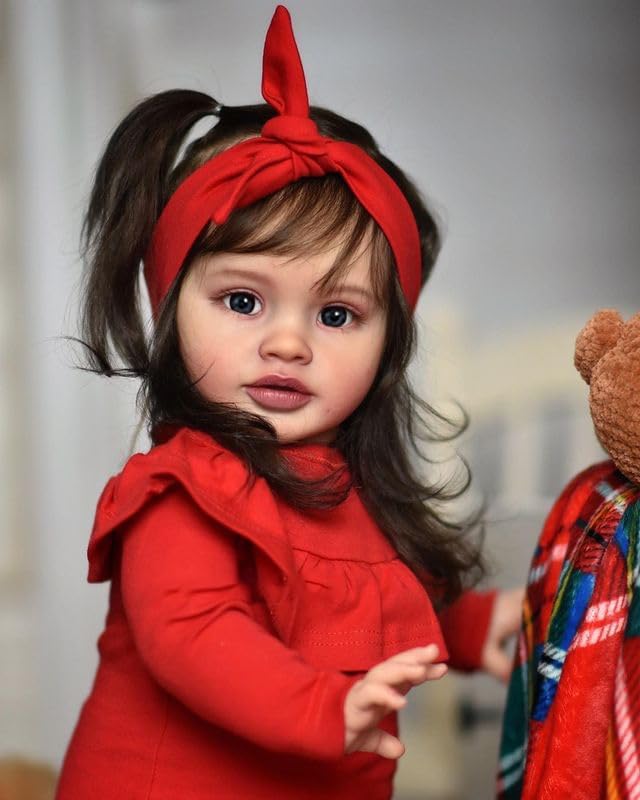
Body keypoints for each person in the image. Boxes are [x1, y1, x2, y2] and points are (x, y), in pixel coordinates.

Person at [56, 6, 521, 799]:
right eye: (243, 301)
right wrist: (324, 707)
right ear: (171, 307)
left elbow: (357, 609)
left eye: (336, 315)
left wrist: (473, 627)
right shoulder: (182, 491)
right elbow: (195, 636)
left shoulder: (351, 491)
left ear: (387, 344)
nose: (288, 343)